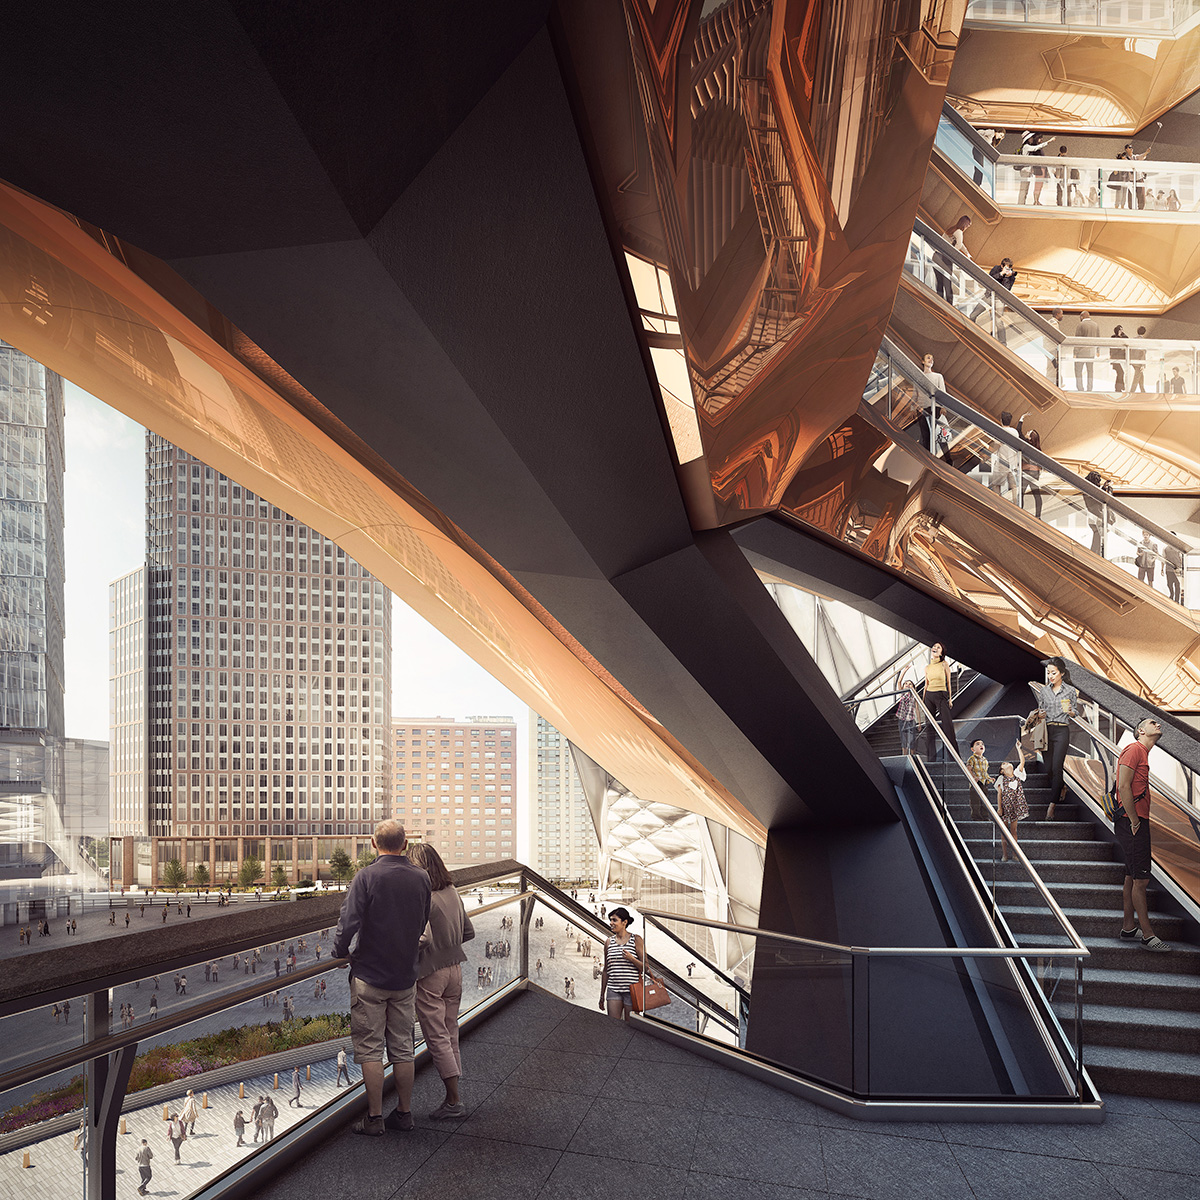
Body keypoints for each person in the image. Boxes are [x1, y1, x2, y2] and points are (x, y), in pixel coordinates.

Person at [332, 818, 431, 1136]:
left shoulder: (366, 876)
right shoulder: (421, 877)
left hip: (369, 977)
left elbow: (348, 921)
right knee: (403, 1047)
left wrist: (340, 952)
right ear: (405, 844)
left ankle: (374, 1119)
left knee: (370, 1049)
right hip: (405, 976)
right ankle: (404, 1114)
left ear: (374, 844)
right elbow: (421, 920)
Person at [407, 841, 474, 1119]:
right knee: (451, 1034)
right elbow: (468, 932)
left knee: (436, 1038)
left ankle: (454, 1101)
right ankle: (454, 1096)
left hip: (430, 973)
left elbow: (423, 938)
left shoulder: (423, 896)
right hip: (455, 969)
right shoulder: (452, 891)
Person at [1115, 717, 1171, 950]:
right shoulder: (1134, 749)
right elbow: (1122, 786)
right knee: (1141, 879)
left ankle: (1129, 927)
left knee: (1131, 875)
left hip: (1132, 820)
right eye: (1152, 722)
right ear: (1140, 730)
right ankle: (1148, 935)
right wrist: (1136, 820)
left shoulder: (1142, 753)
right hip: (1132, 821)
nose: (1158, 725)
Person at [1032, 657, 1079, 819]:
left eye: (1053, 673)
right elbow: (1040, 710)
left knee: (1057, 767)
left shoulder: (1070, 691)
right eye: (1048, 673)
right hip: (1047, 731)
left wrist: (1071, 712)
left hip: (1062, 731)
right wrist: (1041, 714)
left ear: (1062, 673)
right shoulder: (1044, 691)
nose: (1050, 676)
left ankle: (1051, 807)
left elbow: (1076, 712)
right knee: (1049, 768)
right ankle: (1061, 787)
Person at [599, 907, 647, 1021]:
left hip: (632, 991)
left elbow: (645, 967)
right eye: (610, 920)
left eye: (614, 920)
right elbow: (606, 970)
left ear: (624, 922)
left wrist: (632, 959)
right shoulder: (608, 942)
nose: (611, 923)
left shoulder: (636, 939)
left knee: (631, 1026)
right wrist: (602, 994)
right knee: (613, 1025)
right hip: (613, 990)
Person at [921, 642, 956, 762]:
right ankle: (931, 760)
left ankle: (954, 758)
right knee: (929, 728)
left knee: (947, 726)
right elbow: (926, 685)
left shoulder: (944, 664)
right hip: (929, 696)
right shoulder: (927, 667)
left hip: (941, 694)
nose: (935, 648)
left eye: (938, 647)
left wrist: (950, 698)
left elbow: (949, 682)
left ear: (941, 653)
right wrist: (922, 701)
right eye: (934, 646)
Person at [995, 744, 1029, 862]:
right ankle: (1005, 854)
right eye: (1004, 764)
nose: (1007, 763)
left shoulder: (1017, 774)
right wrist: (999, 808)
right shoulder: (1001, 779)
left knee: (1014, 831)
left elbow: (1022, 761)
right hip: (1005, 807)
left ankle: (1015, 853)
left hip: (1015, 807)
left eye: (1007, 762)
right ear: (1002, 771)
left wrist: (1018, 749)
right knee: (1004, 832)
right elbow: (999, 794)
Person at [933, 215, 971, 303]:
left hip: (936, 256)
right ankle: (949, 305)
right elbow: (958, 245)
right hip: (945, 258)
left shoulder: (952, 229)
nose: (967, 227)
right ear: (965, 224)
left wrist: (967, 252)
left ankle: (939, 301)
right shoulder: (959, 232)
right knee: (947, 283)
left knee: (939, 282)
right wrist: (952, 254)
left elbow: (961, 244)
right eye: (968, 225)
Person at [913, 353, 944, 452]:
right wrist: (913, 409)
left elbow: (943, 392)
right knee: (925, 434)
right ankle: (927, 455)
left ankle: (936, 456)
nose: (931, 360)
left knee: (935, 433)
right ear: (923, 361)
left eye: (932, 359)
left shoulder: (938, 376)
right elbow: (915, 395)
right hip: (922, 409)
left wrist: (943, 407)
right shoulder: (918, 378)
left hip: (935, 408)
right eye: (928, 358)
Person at [1018, 422, 1045, 519]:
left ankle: (1020, 511)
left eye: (1028, 432)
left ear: (1030, 438)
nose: (1027, 432)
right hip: (1034, 473)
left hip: (1026, 472)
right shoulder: (1037, 449)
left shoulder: (1026, 445)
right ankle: (1038, 516)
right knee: (1037, 495)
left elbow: (1019, 433)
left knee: (1021, 493)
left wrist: (1021, 420)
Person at [1018, 131, 1054, 205]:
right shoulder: (1026, 147)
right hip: (1026, 170)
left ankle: (1022, 204)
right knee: (1024, 190)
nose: (1032, 139)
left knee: (1024, 190)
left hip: (1027, 171)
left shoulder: (1026, 147)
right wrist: (1049, 142)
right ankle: (1021, 204)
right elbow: (1036, 148)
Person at [965, 737, 993, 821]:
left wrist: (989, 778)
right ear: (972, 749)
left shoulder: (985, 760)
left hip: (984, 783)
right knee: (975, 801)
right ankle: (976, 816)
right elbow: (968, 769)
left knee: (984, 800)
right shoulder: (972, 759)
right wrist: (973, 777)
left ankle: (985, 816)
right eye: (977, 744)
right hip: (975, 783)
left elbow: (985, 772)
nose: (981, 745)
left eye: (982, 744)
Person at [895, 674, 921, 757]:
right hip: (902, 720)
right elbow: (899, 681)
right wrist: (905, 670)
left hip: (911, 720)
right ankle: (904, 758)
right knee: (904, 741)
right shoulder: (902, 694)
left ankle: (913, 758)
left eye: (910, 684)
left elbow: (917, 710)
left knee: (912, 741)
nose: (907, 685)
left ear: (913, 687)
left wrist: (919, 723)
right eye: (906, 683)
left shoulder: (914, 696)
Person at [1074, 311, 1100, 390]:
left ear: (1082, 317)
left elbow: (1077, 340)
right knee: (1090, 371)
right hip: (1091, 352)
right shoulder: (1096, 325)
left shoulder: (1080, 325)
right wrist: (1098, 351)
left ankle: (1080, 388)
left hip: (1081, 352)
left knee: (1078, 371)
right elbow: (1099, 339)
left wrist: (1075, 352)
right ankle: (1089, 388)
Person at [1109, 325, 1128, 391]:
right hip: (1115, 358)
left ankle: (1120, 387)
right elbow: (1112, 348)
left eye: (1122, 330)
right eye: (1120, 330)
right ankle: (1119, 387)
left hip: (1123, 359)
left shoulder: (1125, 337)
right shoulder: (1113, 337)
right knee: (1120, 373)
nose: (1121, 331)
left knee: (1121, 373)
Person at [1129, 327, 1148, 392]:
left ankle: (1143, 390)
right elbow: (1143, 352)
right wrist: (1143, 364)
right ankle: (1132, 391)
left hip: (1133, 361)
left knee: (1140, 375)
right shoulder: (1143, 341)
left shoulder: (1133, 339)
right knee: (1136, 377)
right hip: (1139, 362)